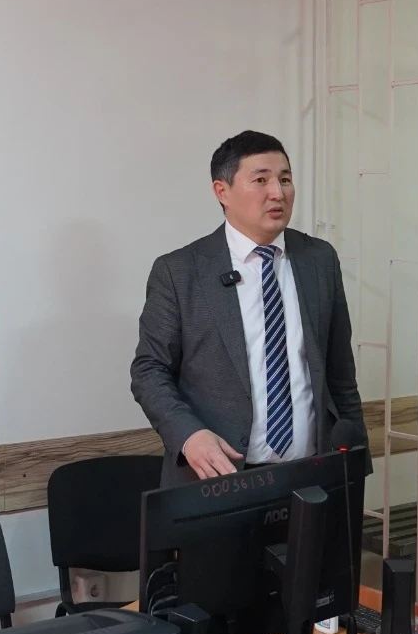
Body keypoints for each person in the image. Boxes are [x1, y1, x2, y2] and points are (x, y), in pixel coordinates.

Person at [130, 131, 364, 488]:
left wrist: (356, 466)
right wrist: (188, 435)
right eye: (261, 180)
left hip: (312, 472)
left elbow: (340, 372)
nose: (278, 193)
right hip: (218, 479)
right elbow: (149, 370)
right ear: (222, 191)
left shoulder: (319, 259)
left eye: (285, 179)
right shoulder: (180, 271)